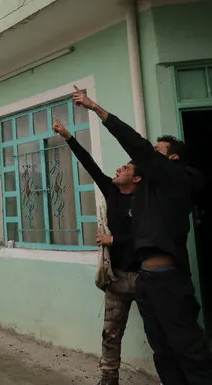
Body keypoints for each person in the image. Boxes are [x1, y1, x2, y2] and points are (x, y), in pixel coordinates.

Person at [72, 85, 212, 384]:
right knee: (162, 353)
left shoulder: (176, 180)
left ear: (171, 161)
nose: (147, 158)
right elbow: (102, 171)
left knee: (189, 352)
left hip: (169, 283)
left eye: (157, 152)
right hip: (146, 283)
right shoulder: (145, 192)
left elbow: (136, 145)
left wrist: (96, 108)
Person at [53, 118, 142, 385]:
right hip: (116, 277)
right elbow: (89, 163)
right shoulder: (112, 194)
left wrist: (113, 240)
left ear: (136, 178)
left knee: (159, 331)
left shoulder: (148, 201)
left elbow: (149, 237)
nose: (118, 169)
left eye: (125, 168)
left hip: (145, 278)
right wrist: (68, 137)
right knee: (111, 334)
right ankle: (108, 378)